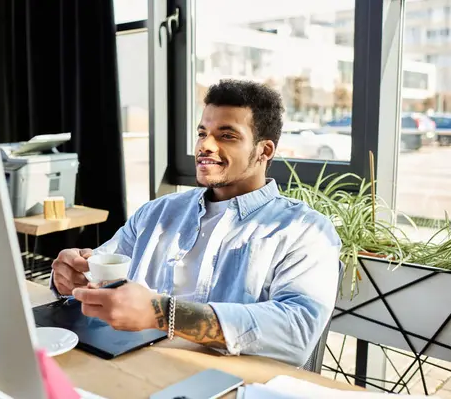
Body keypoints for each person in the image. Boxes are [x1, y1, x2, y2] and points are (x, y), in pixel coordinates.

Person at [50, 79, 341, 366]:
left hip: (226, 383)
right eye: (203, 133)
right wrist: (72, 277)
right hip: (132, 368)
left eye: (227, 136)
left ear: (264, 151)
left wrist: (163, 313)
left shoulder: (305, 231)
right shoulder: (156, 213)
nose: (206, 146)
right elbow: (101, 271)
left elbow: (297, 330)